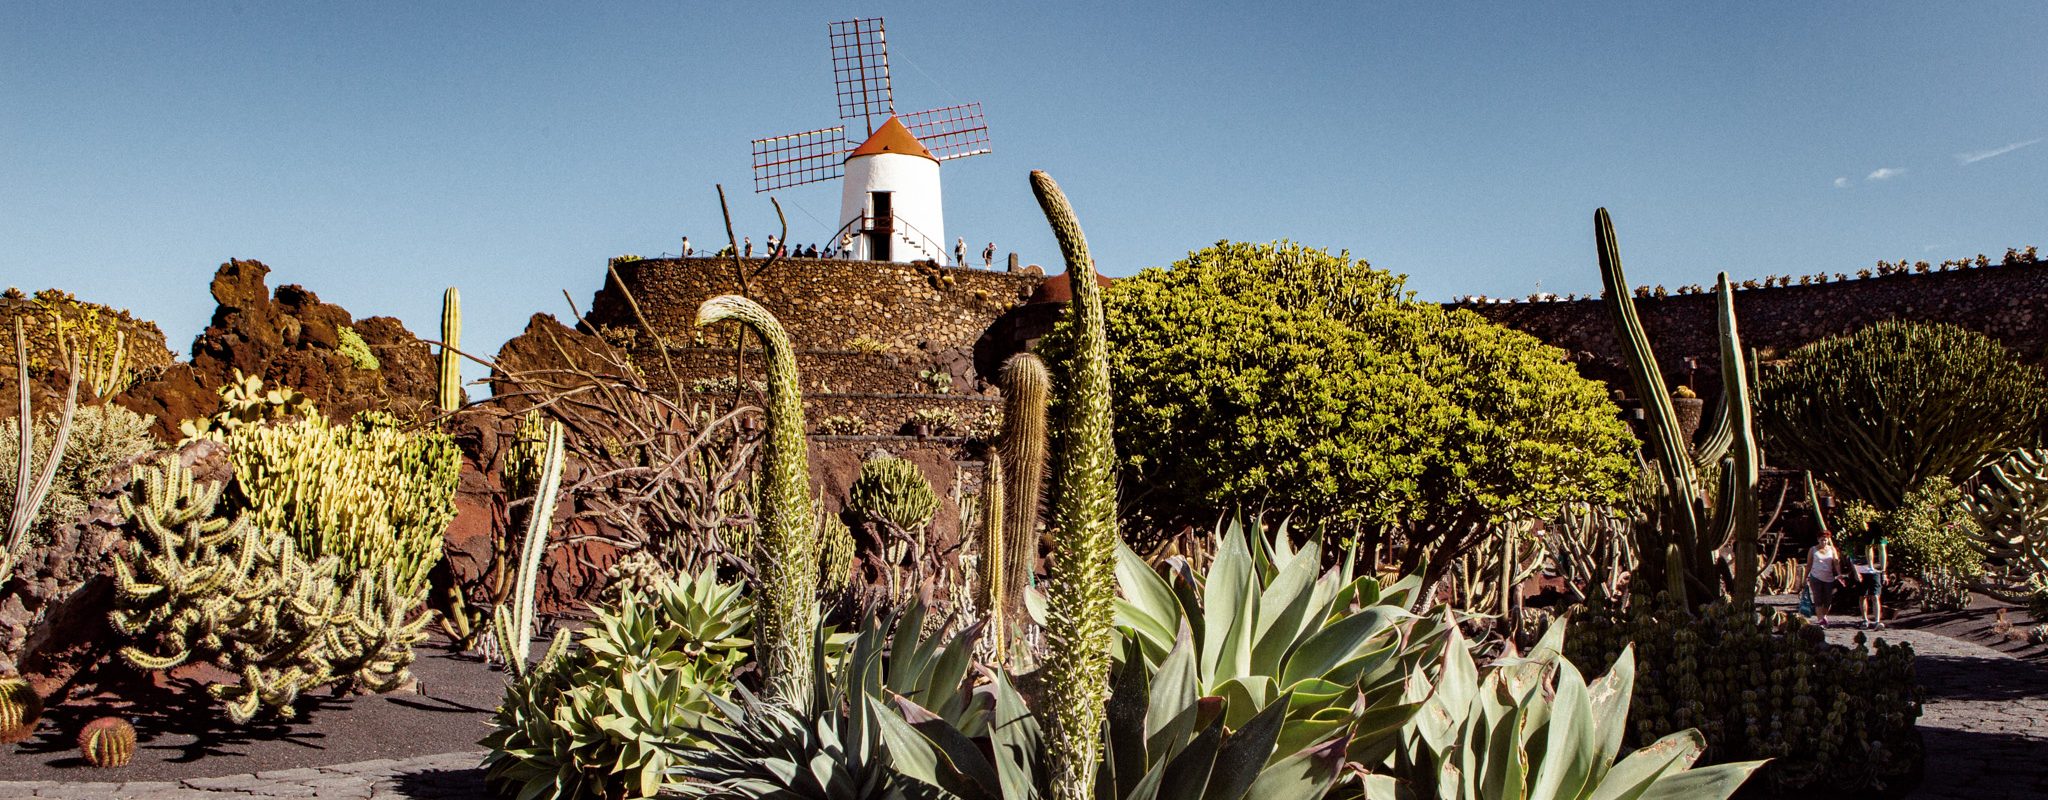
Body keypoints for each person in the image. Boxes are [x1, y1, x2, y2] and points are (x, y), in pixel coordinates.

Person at [1807, 530, 1848, 627]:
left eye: (1825, 540)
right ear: (1818, 540)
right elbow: (1809, 564)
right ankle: (1820, 619)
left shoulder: (1832, 549)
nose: (1824, 542)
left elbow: (1836, 562)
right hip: (1816, 577)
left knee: (1828, 600)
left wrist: (1839, 574)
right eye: (1822, 540)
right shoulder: (1813, 550)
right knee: (1818, 599)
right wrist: (1805, 577)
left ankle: (1824, 616)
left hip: (1828, 577)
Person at [1856, 534, 1888, 629]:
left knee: (1875, 595)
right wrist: (1855, 571)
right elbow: (1852, 554)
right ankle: (1865, 620)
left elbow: (1883, 552)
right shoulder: (1858, 536)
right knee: (1862, 596)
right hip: (1861, 568)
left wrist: (1884, 572)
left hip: (1876, 570)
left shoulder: (1881, 537)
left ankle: (1877, 621)